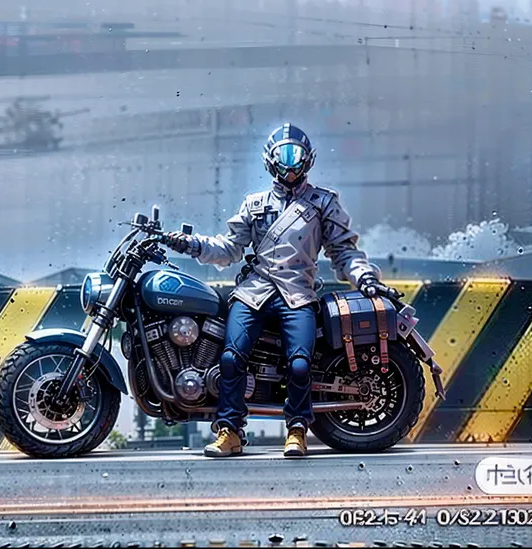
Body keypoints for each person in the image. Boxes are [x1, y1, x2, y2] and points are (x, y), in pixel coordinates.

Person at [165, 123, 395, 458]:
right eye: (283, 155)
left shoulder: (322, 203)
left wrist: (365, 277)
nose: (290, 164)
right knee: (230, 359)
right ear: (270, 160)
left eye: (295, 155)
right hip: (253, 292)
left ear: (308, 159)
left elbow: (344, 251)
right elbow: (228, 248)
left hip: (297, 293)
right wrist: (192, 244)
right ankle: (230, 431)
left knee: (300, 365)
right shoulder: (254, 204)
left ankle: (298, 430)